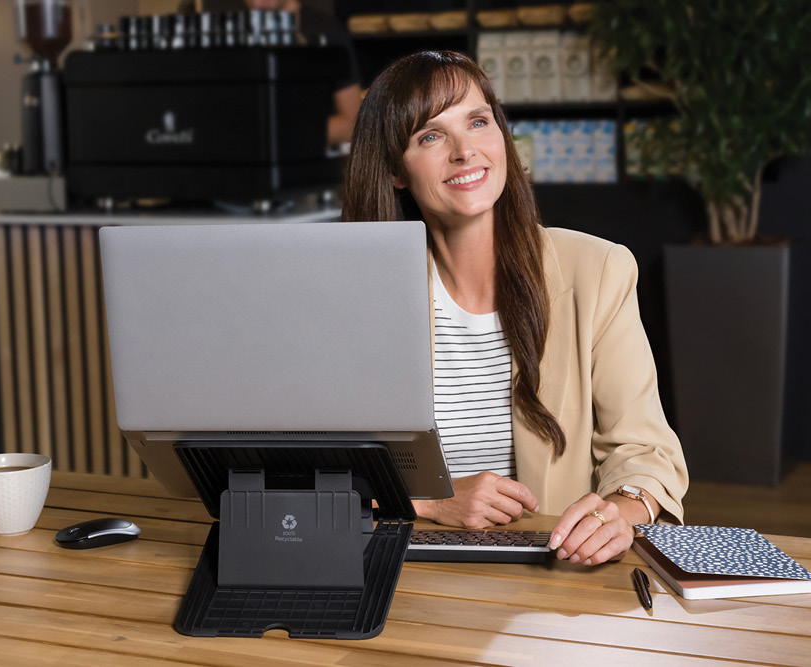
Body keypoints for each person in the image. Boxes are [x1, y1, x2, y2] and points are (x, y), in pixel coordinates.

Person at [341, 51, 689, 567]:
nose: (465, 151)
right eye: (430, 136)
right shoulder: (358, 293)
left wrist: (622, 509)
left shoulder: (598, 270)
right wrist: (432, 501)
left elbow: (645, 452)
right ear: (395, 170)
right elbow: (306, 472)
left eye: (478, 122)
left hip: (547, 571)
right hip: (398, 566)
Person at [242, 0, 362, 146]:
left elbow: (351, 123)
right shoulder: (233, 32)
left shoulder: (327, 32)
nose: (257, 3)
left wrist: (283, 137)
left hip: (304, 160)